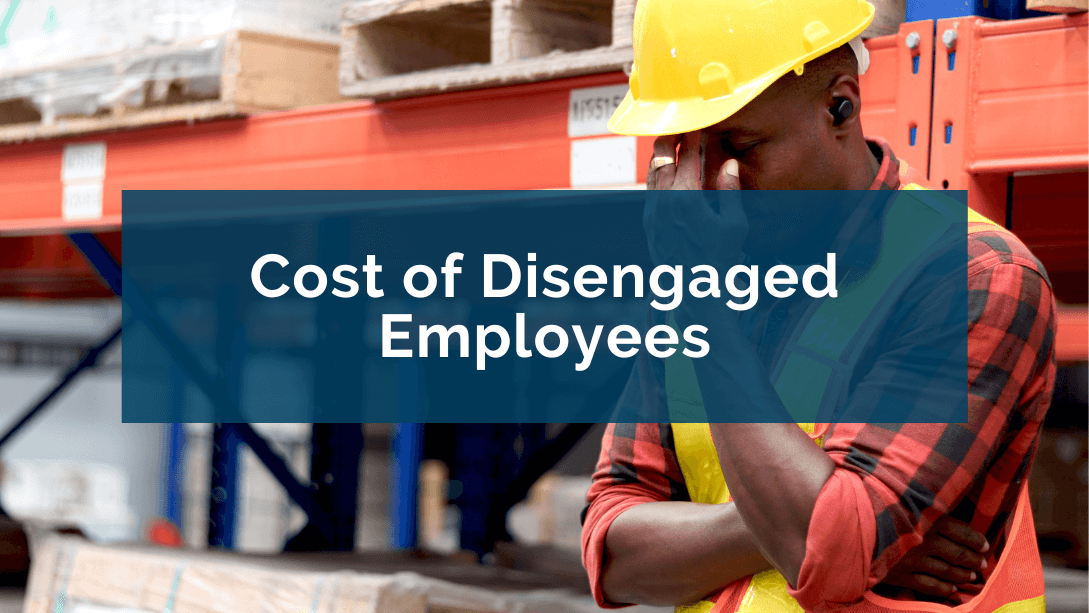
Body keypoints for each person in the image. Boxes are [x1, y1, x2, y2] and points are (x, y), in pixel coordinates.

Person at [580, 1, 1057, 612]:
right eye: (684, 151)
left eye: (739, 145)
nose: (705, 184)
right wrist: (799, 526)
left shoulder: (974, 276)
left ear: (841, 105)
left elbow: (829, 551)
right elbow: (610, 557)